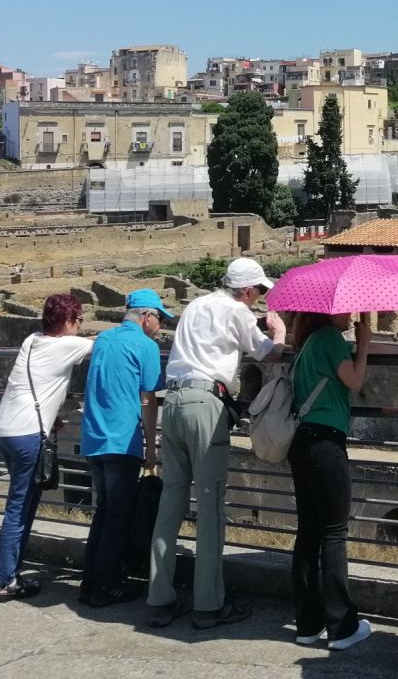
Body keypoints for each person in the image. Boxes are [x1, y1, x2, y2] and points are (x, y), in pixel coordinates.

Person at [146, 256, 287, 631]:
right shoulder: (238, 311)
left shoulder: (197, 304)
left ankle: (159, 600)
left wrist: (256, 324)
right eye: (259, 292)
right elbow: (269, 354)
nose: (259, 298)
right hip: (205, 403)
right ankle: (208, 605)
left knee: (170, 504)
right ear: (247, 290)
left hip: (172, 401)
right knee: (209, 508)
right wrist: (278, 333)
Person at [0, 293, 94, 601]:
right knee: (18, 508)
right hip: (25, 434)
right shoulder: (67, 344)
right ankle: (3, 580)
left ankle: (11, 573)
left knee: (24, 503)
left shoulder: (32, 340)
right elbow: (105, 343)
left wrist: (50, 416)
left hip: (5, 429)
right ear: (68, 321)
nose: (81, 325)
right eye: (79, 319)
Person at [77, 288, 172, 608]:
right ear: (146, 317)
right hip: (122, 438)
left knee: (104, 511)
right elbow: (148, 399)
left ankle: (89, 582)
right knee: (118, 515)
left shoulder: (104, 339)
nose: (160, 326)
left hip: (93, 435)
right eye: (159, 318)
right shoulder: (146, 346)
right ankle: (106, 585)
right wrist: (151, 447)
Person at [287, 311, 373, 651]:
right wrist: (363, 346)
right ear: (328, 312)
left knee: (308, 531)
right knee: (334, 532)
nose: (349, 314)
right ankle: (342, 627)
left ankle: (308, 624)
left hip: (301, 441)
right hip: (326, 442)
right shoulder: (330, 339)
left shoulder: (308, 343)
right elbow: (355, 381)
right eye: (344, 310)